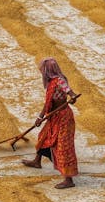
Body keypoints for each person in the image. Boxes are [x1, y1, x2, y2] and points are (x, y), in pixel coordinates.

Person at [22, 58, 79, 189]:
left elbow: (70, 92)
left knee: (63, 146)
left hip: (64, 118)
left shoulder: (59, 81)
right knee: (43, 136)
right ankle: (37, 161)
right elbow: (47, 104)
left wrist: (73, 96)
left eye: (43, 70)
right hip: (53, 116)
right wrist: (40, 117)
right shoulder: (51, 83)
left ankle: (68, 179)